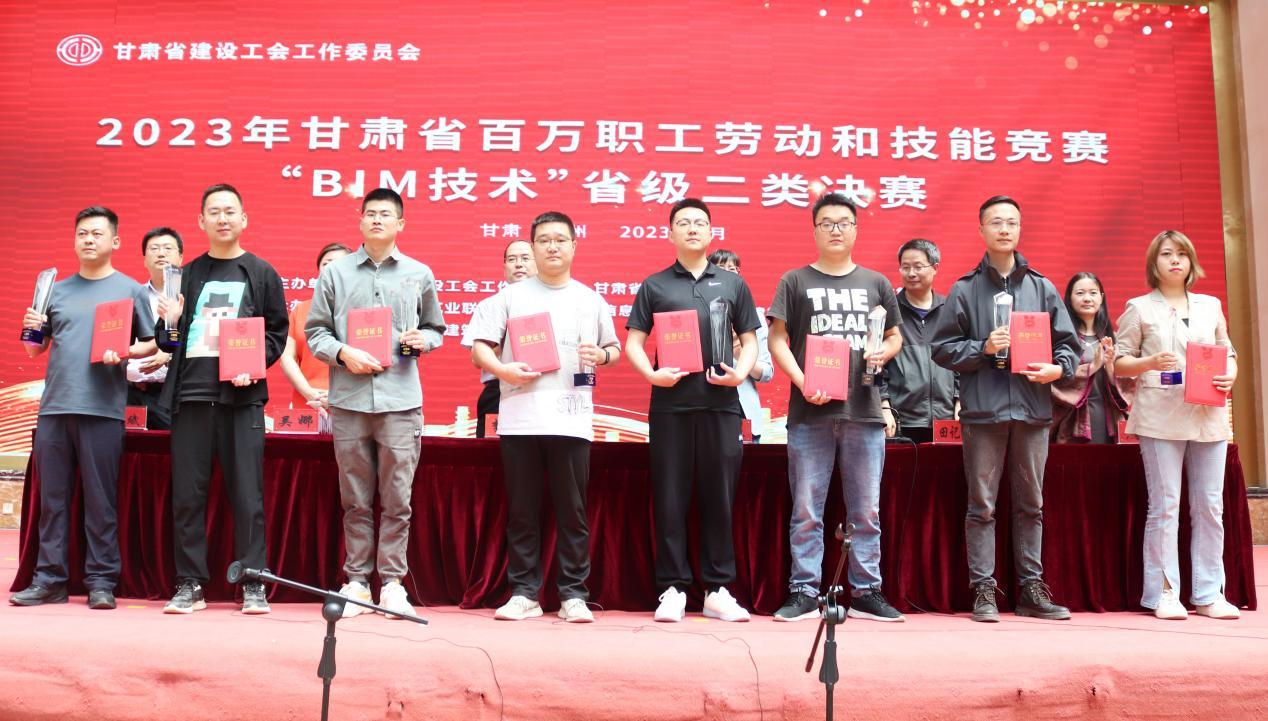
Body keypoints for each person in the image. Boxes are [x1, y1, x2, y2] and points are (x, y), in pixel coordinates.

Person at [930, 195, 1079, 623]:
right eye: (996, 222)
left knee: (1031, 503)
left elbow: (1069, 346)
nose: (1004, 229)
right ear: (981, 230)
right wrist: (983, 347)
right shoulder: (965, 289)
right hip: (984, 413)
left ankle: (1031, 589)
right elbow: (942, 348)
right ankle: (983, 590)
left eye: (1012, 222)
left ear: (1020, 229)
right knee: (982, 505)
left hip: (1032, 411)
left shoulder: (1042, 288)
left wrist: (1057, 369)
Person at [469, 212, 620, 623]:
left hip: (572, 419)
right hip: (521, 419)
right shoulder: (509, 298)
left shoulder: (590, 299)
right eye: (544, 240)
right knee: (522, 512)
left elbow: (613, 349)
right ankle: (524, 593)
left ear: (574, 245)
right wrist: (503, 370)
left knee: (573, 512)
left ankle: (573, 595)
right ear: (533, 247)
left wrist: (601, 355)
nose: (552, 246)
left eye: (560, 239)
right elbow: (479, 348)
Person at [307, 188, 445, 619]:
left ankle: (392, 585)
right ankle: (357, 583)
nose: (377, 220)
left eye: (386, 214)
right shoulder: (336, 273)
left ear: (400, 223)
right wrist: (343, 353)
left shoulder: (419, 273)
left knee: (398, 499)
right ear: (360, 221)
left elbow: (436, 328)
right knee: (355, 499)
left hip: (400, 401)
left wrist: (424, 339)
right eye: (370, 213)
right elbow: (315, 333)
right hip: (349, 401)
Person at [767, 193, 905, 623]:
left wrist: (885, 351)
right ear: (814, 231)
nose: (835, 230)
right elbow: (777, 339)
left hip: (864, 410)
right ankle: (804, 591)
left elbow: (896, 336)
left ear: (856, 229)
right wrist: (802, 380)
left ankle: (866, 591)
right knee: (807, 509)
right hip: (810, 413)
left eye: (844, 222)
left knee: (866, 510)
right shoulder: (794, 280)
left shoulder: (876, 283)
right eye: (826, 223)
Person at [10, 207, 155, 609]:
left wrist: (125, 352)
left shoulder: (130, 290)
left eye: (96, 233)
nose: (88, 239)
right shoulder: (55, 291)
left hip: (103, 410)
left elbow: (151, 342)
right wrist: (30, 326)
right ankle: (50, 579)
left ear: (115, 242)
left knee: (100, 501)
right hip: (55, 409)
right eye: (82, 234)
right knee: (52, 501)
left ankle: (101, 581)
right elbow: (34, 349)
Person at [625, 198, 760, 623]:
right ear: (670, 233)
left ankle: (718, 589)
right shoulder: (655, 285)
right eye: (683, 222)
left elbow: (750, 339)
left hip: (722, 406)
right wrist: (652, 374)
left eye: (700, 222)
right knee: (670, 498)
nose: (692, 228)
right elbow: (633, 342)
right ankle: (673, 588)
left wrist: (740, 374)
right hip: (671, 407)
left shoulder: (733, 284)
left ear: (710, 231)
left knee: (720, 498)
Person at [157, 183, 289, 615]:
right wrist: (170, 323)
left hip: (242, 399)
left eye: (230, 211)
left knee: (248, 496)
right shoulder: (186, 273)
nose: (223, 218)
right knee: (188, 496)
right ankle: (189, 583)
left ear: (244, 218)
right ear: (201, 221)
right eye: (214, 211)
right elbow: (168, 341)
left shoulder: (262, 273)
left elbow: (276, 333)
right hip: (190, 396)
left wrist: (256, 362)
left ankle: (253, 582)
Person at [1113, 230, 1240, 620]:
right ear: (1154, 263)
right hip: (1160, 415)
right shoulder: (1139, 307)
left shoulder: (1210, 305)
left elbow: (1228, 351)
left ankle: (1208, 593)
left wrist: (1231, 374)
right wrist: (1149, 363)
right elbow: (1120, 363)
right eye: (1167, 254)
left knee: (1210, 506)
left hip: (1208, 415)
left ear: (1191, 262)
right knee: (1165, 507)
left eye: (1182, 254)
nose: (1175, 260)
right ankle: (1165, 593)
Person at [881, 238, 957, 444]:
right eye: (905, 267)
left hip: (946, 419)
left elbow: (961, 359)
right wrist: (884, 406)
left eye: (918, 266)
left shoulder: (950, 310)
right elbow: (875, 366)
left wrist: (960, 401)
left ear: (935, 268)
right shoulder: (888, 312)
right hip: (900, 419)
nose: (911, 273)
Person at [465, 240, 537, 438]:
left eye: (525, 258)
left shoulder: (554, 303)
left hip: (542, 389)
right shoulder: (489, 305)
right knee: (493, 453)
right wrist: (508, 341)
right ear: (504, 267)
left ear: (538, 262)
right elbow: (475, 359)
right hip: (498, 391)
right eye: (512, 259)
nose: (519, 264)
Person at [278, 242, 352, 431]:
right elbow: (287, 358)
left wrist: (337, 397)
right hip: (308, 403)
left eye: (340, 263)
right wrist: (309, 393)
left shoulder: (364, 312)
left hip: (351, 406)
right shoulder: (301, 309)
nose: (332, 268)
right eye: (326, 264)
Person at [1051, 272, 1129, 444]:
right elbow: (1054, 383)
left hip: (1105, 418)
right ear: (1069, 298)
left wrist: (1110, 367)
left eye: (1093, 293)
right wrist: (1092, 366)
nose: (1087, 299)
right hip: (1070, 420)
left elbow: (1126, 389)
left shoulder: (1113, 338)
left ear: (1101, 298)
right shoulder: (1061, 340)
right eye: (1080, 293)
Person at [707, 249, 773, 442]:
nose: (727, 274)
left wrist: (740, 352)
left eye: (733, 269)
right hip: (702, 410)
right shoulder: (694, 310)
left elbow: (766, 373)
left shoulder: (753, 315)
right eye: (720, 268)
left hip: (742, 411)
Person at [125, 227, 183, 430]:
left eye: (168, 248)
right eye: (154, 248)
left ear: (181, 258)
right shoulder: (131, 295)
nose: (161, 253)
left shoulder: (191, 297)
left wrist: (168, 354)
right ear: (144, 259)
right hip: (130, 392)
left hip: (171, 394)